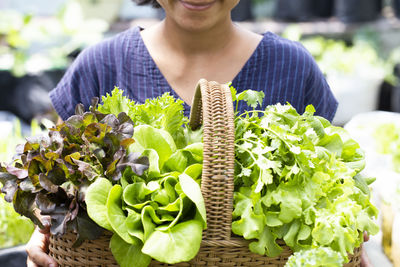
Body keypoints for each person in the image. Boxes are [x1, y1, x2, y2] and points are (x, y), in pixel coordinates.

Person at [25, 0, 368, 266]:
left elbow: (334, 179)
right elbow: (57, 180)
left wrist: (343, 232)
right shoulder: (100, 66)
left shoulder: (293, 67)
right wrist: (42, 228)